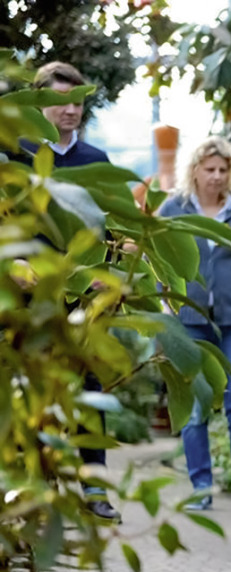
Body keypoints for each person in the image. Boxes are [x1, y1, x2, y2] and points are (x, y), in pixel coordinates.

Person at [21, 61, 118, 522]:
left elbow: (117, 227)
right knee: (27, 386)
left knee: (88, 388)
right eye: (60, 100)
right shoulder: (16, 154)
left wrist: (109, 272)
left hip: (81, 296)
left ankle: (94, 490)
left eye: (78, 101)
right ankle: (32, 488)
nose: (71, 109)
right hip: (24, 294)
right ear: (38, 103)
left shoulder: (96, 161)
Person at [158, 136, 231, 514]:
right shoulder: (175, 209)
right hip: (190, 321)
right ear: (195, 170)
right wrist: (164, 296)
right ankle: (200, 488)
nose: (218, 176)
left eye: (224, 170)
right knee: (195, 409)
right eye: (210, 169)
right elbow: (159, 258)